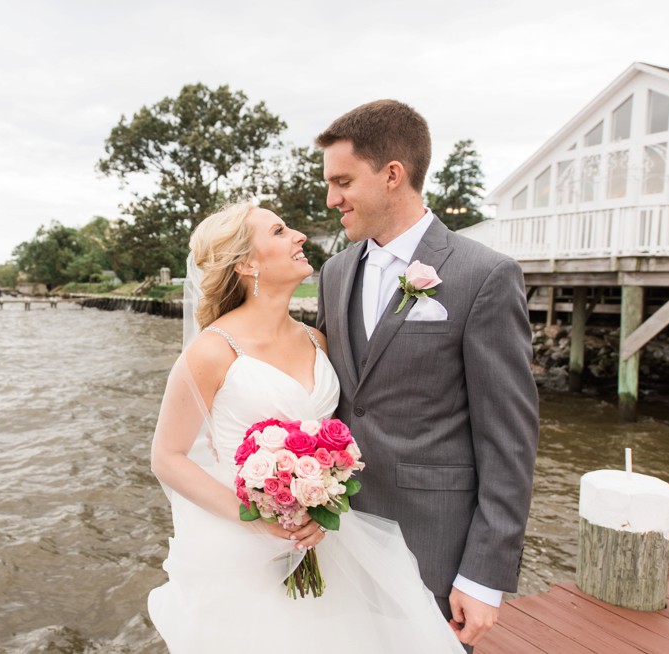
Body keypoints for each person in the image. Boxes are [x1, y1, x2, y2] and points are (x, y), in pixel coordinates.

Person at [148, 202, 463, 653]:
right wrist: (256, 520)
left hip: (325, 536)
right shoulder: (212, 351)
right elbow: (167, 457)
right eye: (279, 231)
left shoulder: (317, 339)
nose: (298, 235)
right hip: (245, 547)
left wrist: (318, 502)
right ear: (246, 263)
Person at [314, 100, 540, 651]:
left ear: (393, 175)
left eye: (342, 181)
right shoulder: (335, 273)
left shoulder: (484, 276)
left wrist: (484, 573)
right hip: (338, 536)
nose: (331, 199)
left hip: (434, 545)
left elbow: (509, 439)